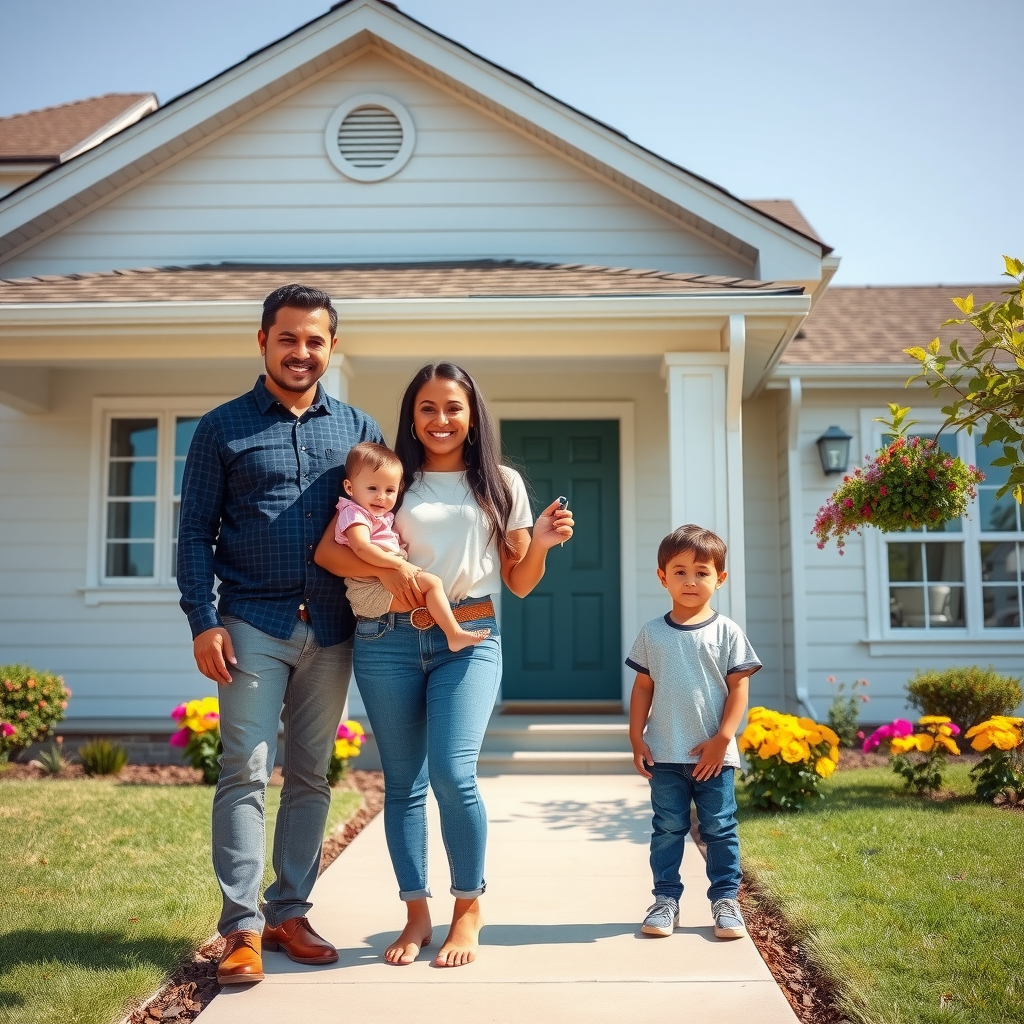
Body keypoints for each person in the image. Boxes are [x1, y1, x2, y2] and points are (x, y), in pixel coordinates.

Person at [315, 362, 573, 968]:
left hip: (471, 634)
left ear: (472, 415)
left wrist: (539, 545)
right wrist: (392, 570)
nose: (441, 419)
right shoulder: (390, 480)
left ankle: (467, 907)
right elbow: (331, 551)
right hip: (387, 638)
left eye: (453, 407)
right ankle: (414, 913)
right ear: (412, 415)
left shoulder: (501, 484)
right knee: (403, 785)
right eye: (427, 408)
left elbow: (520, 581)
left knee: (454, 775)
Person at [177, 284, 383, 985]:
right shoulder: (221, 428)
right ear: (262, 341)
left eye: (315, 340)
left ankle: (290, 911)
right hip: (250, 625)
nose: (301, 351)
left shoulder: (359, 429)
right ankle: (241, 930)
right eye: (288, 338)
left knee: (310, 778)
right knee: (243, 771)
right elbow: (192, 536)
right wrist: (203, 622)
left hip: (331, 629)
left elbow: (386, 528)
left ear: (333, 346)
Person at [626, 524, 760, 941]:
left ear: (720, 579)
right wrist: (636, 737)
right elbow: (643, 686)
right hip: (665, 754)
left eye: (701, 572)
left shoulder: (727, 632)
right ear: (662, 576)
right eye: (679, 571)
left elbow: (740, 686)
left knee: (719, 827)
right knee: (667, 828)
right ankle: (665, 900)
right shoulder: (653, 632)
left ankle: (726, 901)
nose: (690, 580)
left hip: (713, 759)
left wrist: (723, 738)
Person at [333, 441, 491, 652]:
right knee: (432, 584)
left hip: (377, 585)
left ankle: (451, 633)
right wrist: (398, 565)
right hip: (368, 589)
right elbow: (362, 548)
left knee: (427, 590)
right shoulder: (353, 514)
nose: (381, 496)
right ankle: (454, 634)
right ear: (349, 487)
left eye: (390, 490)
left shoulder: (379, 516)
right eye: (372, 488)